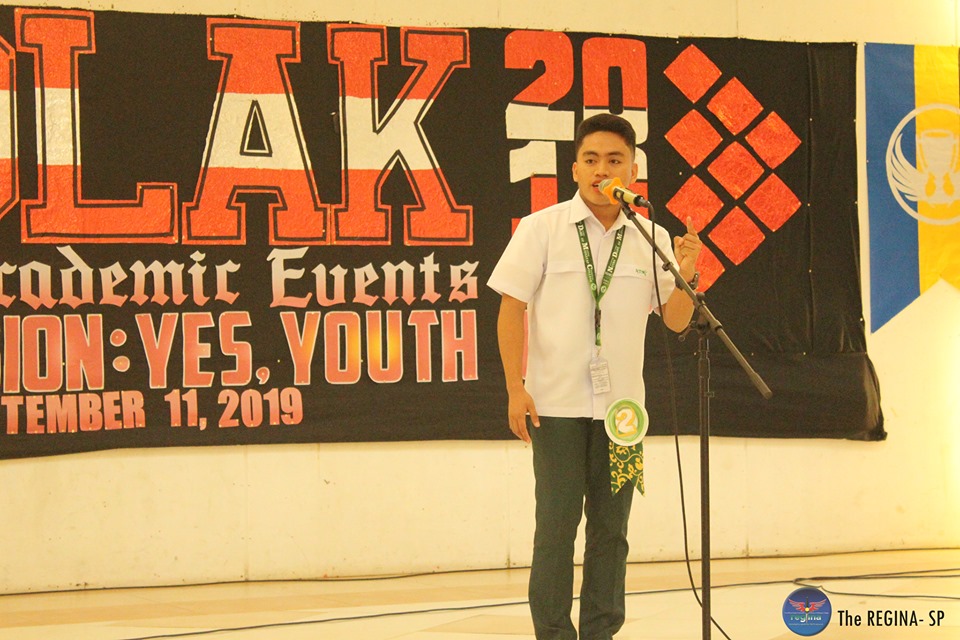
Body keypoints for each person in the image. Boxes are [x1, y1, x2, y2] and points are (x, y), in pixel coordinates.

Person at [487, 113, 702, 640]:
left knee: (613, 530)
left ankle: (601, 632)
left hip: (623, 415)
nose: (602, 169)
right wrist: (515, 387)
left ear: (633, 171)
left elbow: (676, 321)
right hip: (554, 408)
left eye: (614, 160)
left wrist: (687, 273)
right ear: (575, 169)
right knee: (556, 528)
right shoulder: (541, 228)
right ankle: (553, 633)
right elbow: (511, 309)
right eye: (591, 159)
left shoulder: (652, 236)